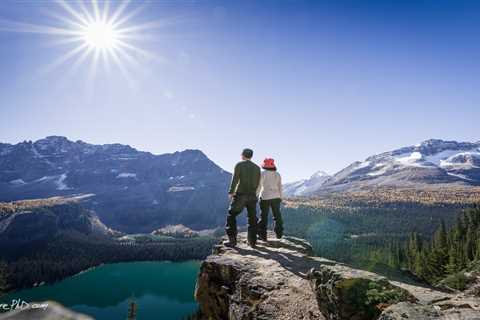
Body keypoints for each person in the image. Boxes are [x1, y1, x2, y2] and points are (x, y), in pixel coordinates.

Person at [225, 148, 261, 248]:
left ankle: (232, 241)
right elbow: (258, 183)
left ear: (243, 155)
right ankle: (252, 242)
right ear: (251, 156)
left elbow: (235, 179)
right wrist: (255, 194)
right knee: (252, 219)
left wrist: (231, 192)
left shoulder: (239, 165)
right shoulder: (257, 168)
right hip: (253, 196)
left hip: (241, 195)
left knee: (231, 215)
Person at [257, 158, 283, 241]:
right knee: (277, 216)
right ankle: (279, 234)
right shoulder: (277, 174)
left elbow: (259, 186)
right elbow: (280, 187)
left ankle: (263, 236)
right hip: (276, 197)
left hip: (265, 197)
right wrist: (280, 197)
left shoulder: (263, 173)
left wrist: (256, 195)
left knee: (263, 216)